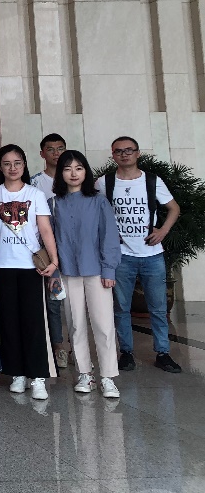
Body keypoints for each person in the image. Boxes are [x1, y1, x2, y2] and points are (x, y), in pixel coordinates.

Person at [98, 136, 182, 374]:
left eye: (129, 150)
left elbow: (174, 208)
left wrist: (163, 231)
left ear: (138, 153)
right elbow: (95, 211)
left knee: (158, 308)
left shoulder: (151, 180)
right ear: (113, 155)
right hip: (121, 255)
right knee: (121, 307)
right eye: (119, 151)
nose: (124, 154)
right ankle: (126, 352)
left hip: (152, 254)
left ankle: (163, 353)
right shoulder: (105, 182)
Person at [0, 144, 59, 400]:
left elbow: (45, 229)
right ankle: (16, 373)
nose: (12, 168)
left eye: (17, 163)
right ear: (0, 167)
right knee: (8, 322)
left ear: (24, 165)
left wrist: (54, 260)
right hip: (2, 265)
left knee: (33, 322)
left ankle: (37, 376)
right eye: (7, 164)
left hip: (31, 267)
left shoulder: (35, 194)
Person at [50, 150, 122, 398]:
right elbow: (50, 241)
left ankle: (108, 377)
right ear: (60, 173)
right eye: (67, 168)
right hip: (68, 272)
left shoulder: (98, 201)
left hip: (97, 272)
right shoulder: (54, 203)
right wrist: (54, 274)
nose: (73, 173)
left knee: (103, 325)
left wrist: (109, 269)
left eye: (79, 168)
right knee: (76, 324)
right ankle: (85, 373)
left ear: (86, 172)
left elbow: (109, 237)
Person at [29, 133, 69, 369]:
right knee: (53, 301)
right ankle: (58, 346)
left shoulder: (74, 178)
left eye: (60, 148)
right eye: (51, 149)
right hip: (47, 251)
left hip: (73, 250)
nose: (56, 153)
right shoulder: (34, 183)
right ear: (42, 153)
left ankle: (79, 348)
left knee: (75, 303)